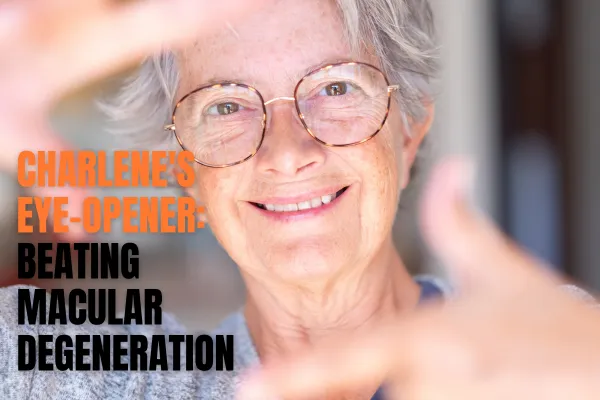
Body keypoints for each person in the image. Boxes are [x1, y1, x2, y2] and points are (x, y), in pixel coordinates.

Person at [0, 0, 599, 399]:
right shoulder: (85, 375)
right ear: (183, 168)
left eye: (337, 87)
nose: (286, 153)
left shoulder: (540, 367)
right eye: (227, 106)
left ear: (409, 131)